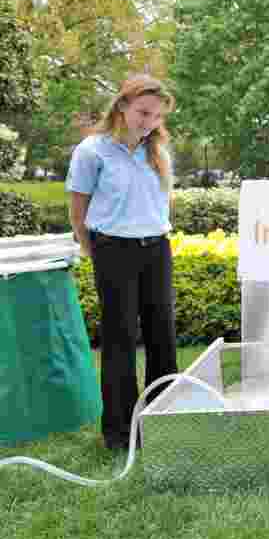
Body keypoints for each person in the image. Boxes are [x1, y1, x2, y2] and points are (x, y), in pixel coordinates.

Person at [66, 74, 178, 451]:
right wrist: (91, 248)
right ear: (122, 106)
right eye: (143, 112)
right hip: (113, 250)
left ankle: (166, 421)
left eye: (157, 116)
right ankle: (119, 433)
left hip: (156, 249)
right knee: (120, 338)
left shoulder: (158, 151)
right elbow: (78, 212)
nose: (149, 122)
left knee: (162, 334)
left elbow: (161, 203)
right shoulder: (92, 151)